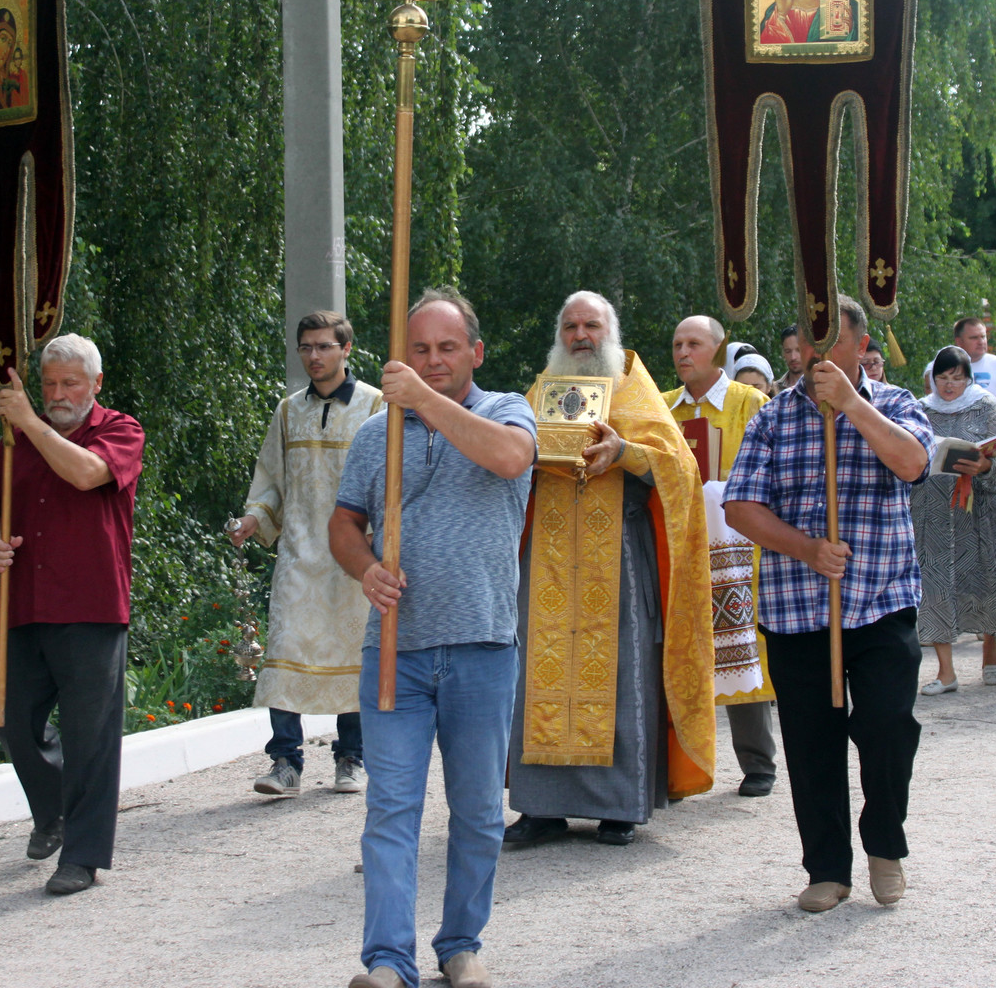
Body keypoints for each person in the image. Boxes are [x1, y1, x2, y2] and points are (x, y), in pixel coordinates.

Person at [329, 287, 537, 988]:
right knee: (391, 809)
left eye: (447, 347)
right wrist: (366, 568)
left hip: (482, 648)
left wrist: (421, 399)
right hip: (396, 650)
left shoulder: (505, 410)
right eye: (418, 348)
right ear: (402, 353)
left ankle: (460, 945)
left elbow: (510, 459)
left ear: (475, 352)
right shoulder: (375, 435)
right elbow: (344, 523)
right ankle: (388, 962)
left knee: (477, 812)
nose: (433, 359)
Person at [724, 295, 932, 914]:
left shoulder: (896, 403)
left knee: (888, 727)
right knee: (811, 743)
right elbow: (740, 507)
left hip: (880, 600)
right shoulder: (772, 417)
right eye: (809, 340)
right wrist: (808, 549)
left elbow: (914, 464)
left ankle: (885, 844)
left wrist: (853, 406)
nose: (816, 353)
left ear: (860, 347)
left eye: (830, 339)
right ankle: (827, 868)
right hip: (798, 608)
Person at [505, 292, 715, 849]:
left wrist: (625, 453)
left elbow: (680, 470)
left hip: (617, 557)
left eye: (591, 325)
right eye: (570, 325)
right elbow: (509, 455)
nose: (580, 335)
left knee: (622, 674)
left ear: (610, 331)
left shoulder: (634, 389)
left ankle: (620, 807)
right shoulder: (541, 391)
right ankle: (540, 807)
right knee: (537, 676)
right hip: (548, 560)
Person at [0, 334, 144, 897]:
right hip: (26, 601)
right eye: (49, 384)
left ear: (95, 384)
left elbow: (85, 473)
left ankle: (82, 857)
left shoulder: (120, 430)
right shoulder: (16, 440)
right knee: (11, 720)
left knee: (89, 735)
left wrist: (29, 421)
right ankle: (53, 812)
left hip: (92, 604)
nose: (57, 394)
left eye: (70, 383)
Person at [233, 312, 385, 798]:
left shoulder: (375, 405)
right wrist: (255, 517)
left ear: (346, 349)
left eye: (324, 346)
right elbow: (270, 478)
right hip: (298, 553)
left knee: (353, 652)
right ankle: (285, 762)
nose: (314, 356)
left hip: (355, 554)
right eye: (306, 347)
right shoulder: (287, 411)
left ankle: (351, 758)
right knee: (286, 649)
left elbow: (388, 478)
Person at [665, 315, 778, 797]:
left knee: (741, 648)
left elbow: (773, 471)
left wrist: (723, 490)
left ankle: (758, 763)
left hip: (738, 551)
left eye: (693, 343)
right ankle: (675, 769)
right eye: (677, 344)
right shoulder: (662, 407)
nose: (683, 353)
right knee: (676, 652)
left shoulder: (750, 404)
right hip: (678, 549)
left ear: (718, 349)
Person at [912, 345, 996, 694]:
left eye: (957, 378)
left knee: (983, 579)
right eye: (943, 378)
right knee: (935, 583)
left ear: (969, 378)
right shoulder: (920, 408)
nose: (949, 386)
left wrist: (986, 465)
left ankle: (990, 650)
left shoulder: (985, 404)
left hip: (979, 509)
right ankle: (946, 670)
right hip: (933, 508)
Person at [951, 316, 996, 408]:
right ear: (959, 341)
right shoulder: (942, 367)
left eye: (983, 336)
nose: (981, 342)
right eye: (974, 338)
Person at [777, 325, 805, 393]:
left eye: (798, 350)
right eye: (788, 351)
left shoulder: (821, 385)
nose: (793, 357)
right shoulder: (774, 389)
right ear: (783, 353)